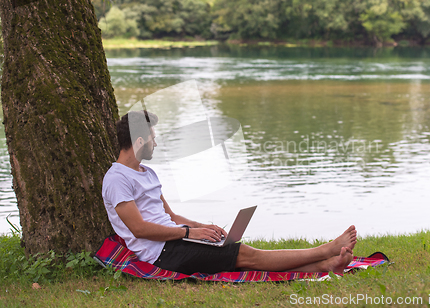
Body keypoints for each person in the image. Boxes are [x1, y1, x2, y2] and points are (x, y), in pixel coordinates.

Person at [102, 110, 357, 275]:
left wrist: (204, 228)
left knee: (241, 253)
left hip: (178, 240)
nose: (155, 143)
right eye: (152, 138)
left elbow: (169, 215)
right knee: (247, 255)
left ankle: (325, 266)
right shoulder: (117, 179)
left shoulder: (148, 173)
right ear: (138, 142)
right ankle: (326, 251)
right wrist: (190, 233)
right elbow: (140, 230)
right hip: (162, 252)